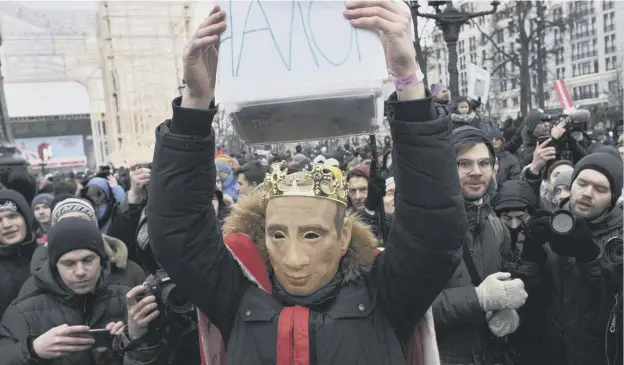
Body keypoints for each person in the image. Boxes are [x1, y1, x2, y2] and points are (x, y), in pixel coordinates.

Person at [147, 2, 465, 364]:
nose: (293, 258)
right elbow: (177, 233)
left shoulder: (387, 296)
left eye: (312, 234)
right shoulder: (236, 298)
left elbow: (433, 228)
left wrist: (408, 79)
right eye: (277, 235)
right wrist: (195, 101)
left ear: (344, 235)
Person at [0, 218, 161, 365]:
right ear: (55, 266)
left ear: (102, 259)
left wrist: (134, 339)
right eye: (69, 263)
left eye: (88, 260)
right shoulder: (23, 313)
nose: (80, 271)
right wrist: (33, 350)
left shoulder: (126, 300)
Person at [0, 190, 37, 317]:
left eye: (12, 216)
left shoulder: (47, 256)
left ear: (26, 218)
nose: (6, 225)